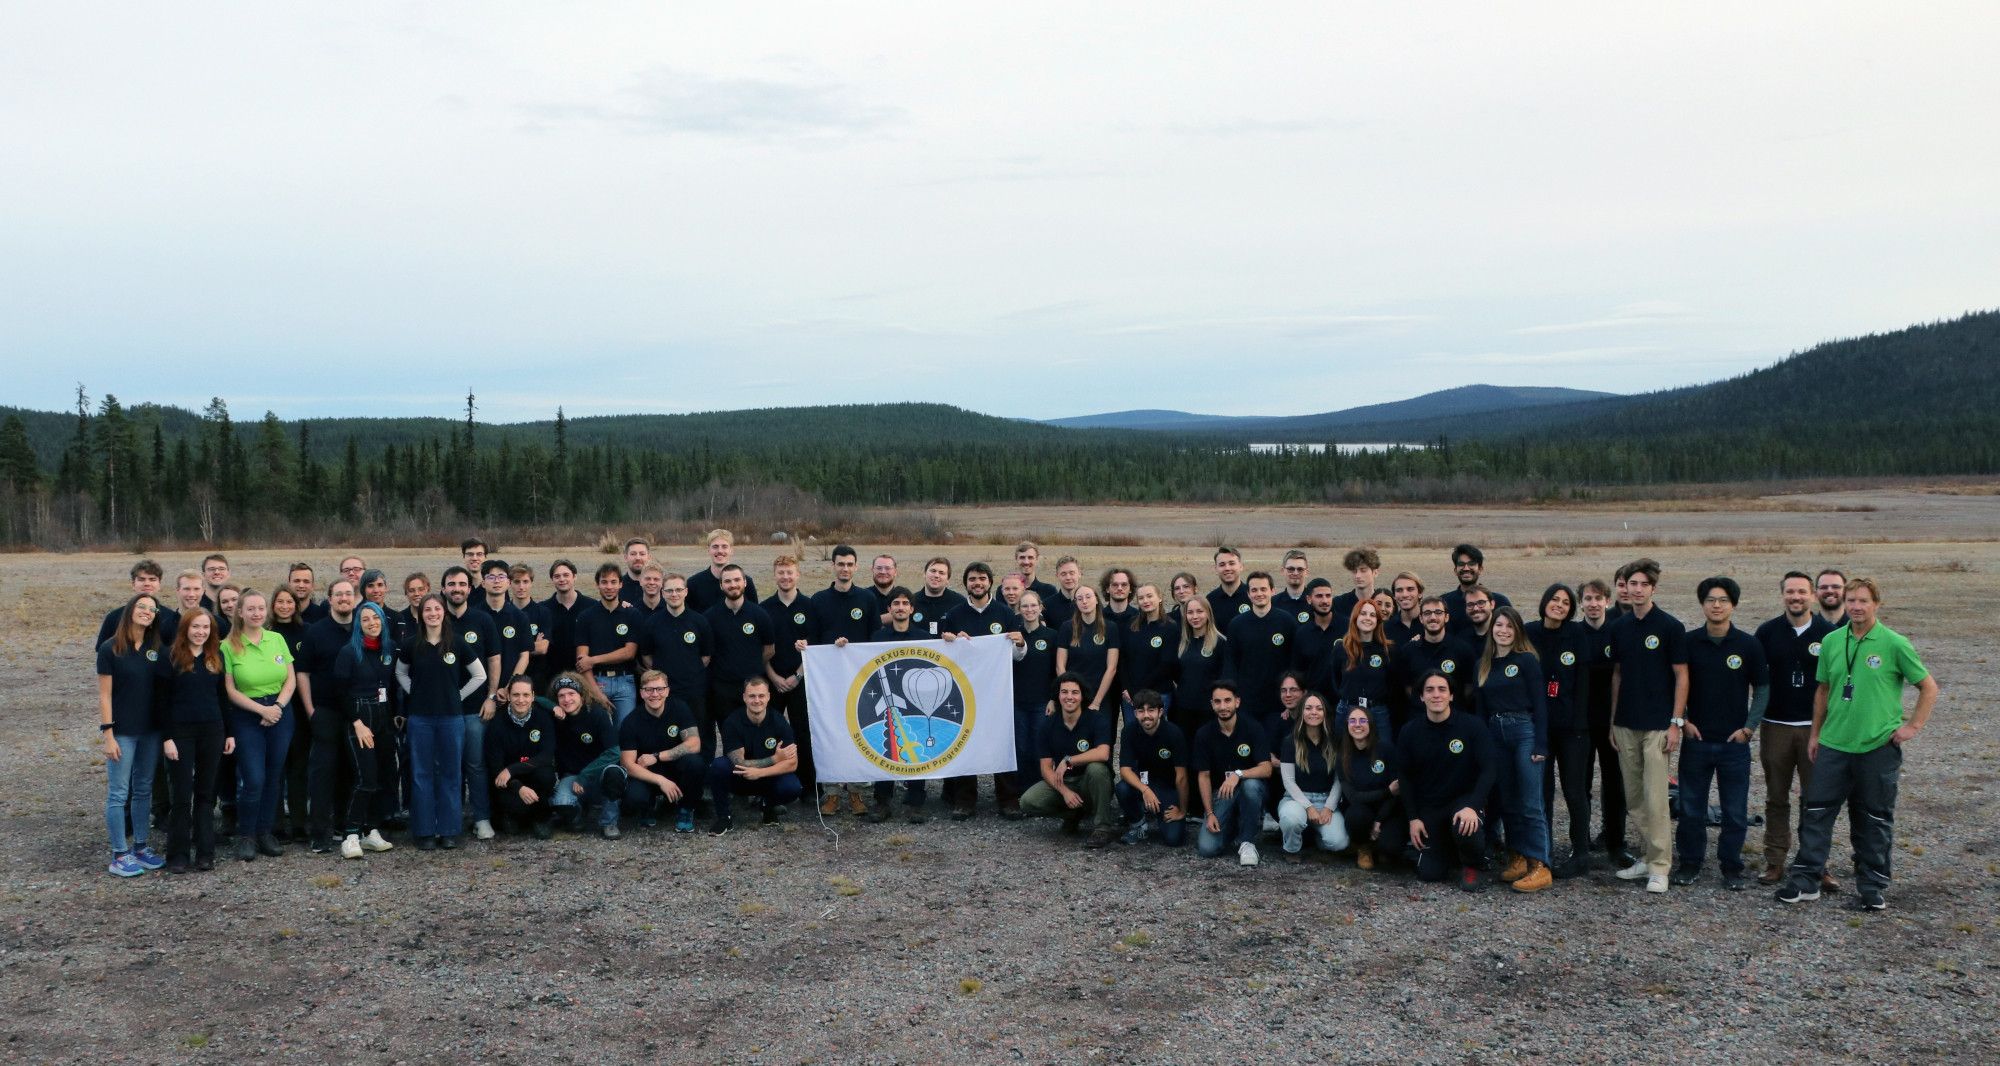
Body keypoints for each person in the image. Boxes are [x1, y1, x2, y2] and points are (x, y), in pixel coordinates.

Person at [1778, 578, 1938, 911]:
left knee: (1874, 819)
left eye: (1863, 601)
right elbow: (1822, 690)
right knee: (1817, 813)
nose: (1856, 606)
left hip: (1877, 747)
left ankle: (1872, 886)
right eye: (1851, 600)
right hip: (1835, 745)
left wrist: (1913, 726)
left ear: (1876, 604)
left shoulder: (1894, 643)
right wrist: (1815, 734)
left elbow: (1928, 687)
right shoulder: (1833, 641)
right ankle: (1806, 880)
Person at [1674, 577, 1769, 890]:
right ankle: (1689, 863)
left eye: (1723, 600)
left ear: (1734, 605)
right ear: (1702, 604)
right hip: (1696, 742)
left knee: (1735, 811)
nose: (1717, 605)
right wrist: (1683, 721)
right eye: (1711, 599)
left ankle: (1732, 867)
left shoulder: (1748, 644)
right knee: (1691, 809)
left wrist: (1749, 727)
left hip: (1734, 745)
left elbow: (1763, 688)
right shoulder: (1687, 642)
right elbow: (1673, 684)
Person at [1606, 558, 1688, 894]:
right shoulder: (1620, 627)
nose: (1636, 590)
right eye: (1630, 584)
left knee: (1656, 798)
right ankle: (1649, 855)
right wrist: (1612, 721)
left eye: (1642, 584)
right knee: (1634, 797)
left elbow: (1682, 675)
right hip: (1625, 723)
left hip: (1657, 725)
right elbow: (1617, 675)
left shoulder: (1670, 626)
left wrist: (1676, 723)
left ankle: (1659, 867)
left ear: (1653, 588)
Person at [1754, 572, 1839, 886]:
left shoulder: (1829, 634)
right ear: (1782, 596)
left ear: (1813, 596)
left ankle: (1816, 863)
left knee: (1815, 800)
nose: (1796, 597)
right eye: (1790, 592)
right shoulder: (1766, 633)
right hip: (1775, 726)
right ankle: (1775, 861)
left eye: (1802, 592)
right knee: (1777, 797)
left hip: (1816, 730)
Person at [1473, 607, 1553, 892]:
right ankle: (1517, 856)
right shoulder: (1484, 665)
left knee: (1530, 802)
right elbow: (1480, 713)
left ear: (1517, 630)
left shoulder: (1527, 661)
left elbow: (1541, 705)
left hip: (1524, 732)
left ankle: (1539, 865)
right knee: (1508, 800)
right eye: (1498, 625)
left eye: (1509, 626)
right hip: (1495, 734)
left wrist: (1541, 744)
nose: (1503, 630)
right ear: (1492, 629)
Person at [397, 593, 486, 850]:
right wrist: (414, 690)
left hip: (451, 718)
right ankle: (424, 831)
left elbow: (479, 675)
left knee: (450, 774)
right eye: (428, 610)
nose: (433, 613)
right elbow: (400, 672)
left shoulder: (456, 643)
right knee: (421, 773)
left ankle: (448, 830)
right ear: (421, 614)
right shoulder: (412, 644)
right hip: (420, 719)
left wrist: (458, 696)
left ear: (444, 613)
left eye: (437, 609)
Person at [938, 561, 1024, 819]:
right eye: (973, 579)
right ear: (965, 583)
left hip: (997, 692)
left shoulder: (1005, 613)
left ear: (990, 582)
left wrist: (1019, 643)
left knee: (1002, 742)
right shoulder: (954, 614)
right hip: (963, 693)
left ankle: (1008, 800)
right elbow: (941, 656)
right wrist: (949, 642)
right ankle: (965, 801)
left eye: (982, 579)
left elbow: (1017, 656)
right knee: (965, 742)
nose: (977, 583)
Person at [1400, 671, 1498, 890]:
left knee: (1466, 826)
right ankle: (1448, 854)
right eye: (1430, 690)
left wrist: (1473, 805)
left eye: (1442, 689)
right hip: (1431, 807)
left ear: (1452, 695)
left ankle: (1473, 864)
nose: (1436, 695)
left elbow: (1489, 769)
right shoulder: (1410, 731)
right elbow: (1405, 777)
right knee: (1430, 874)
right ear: (1422, 697)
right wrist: (1413, 818)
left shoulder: (1472, 726)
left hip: (1462, 803)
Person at [221, 589, 298, 862]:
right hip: (247, 715)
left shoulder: (277, 639)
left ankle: (265, 833)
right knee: (253, 779)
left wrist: (277, 707)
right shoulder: (227, 645)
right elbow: (230, 690)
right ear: (240, 612)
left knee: (274, 776)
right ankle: (246, 836)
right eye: (250, 609)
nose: (256, 613)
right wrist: (260, 709)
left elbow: (291, 680)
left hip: (280, 713)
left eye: (260, 608)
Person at [1525, 583, 1594, 878]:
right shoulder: (1529, 632)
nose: (1560, 605)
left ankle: (1581, 853)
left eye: (1566, 603)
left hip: (1572, 728)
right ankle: (1545, 852)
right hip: (1539, 728)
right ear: (1544, 601)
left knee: (1575, 790)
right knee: (1543, 792)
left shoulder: (1577, 634)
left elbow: (1584, 681)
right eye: (1554, 599)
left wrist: (1580, 724)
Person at [97, 594, 167, 877]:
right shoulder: (110, 648)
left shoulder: (155, 648)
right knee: (118, 792)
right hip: (122, 733)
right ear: (130, 610)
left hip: (150, 731)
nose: (146, 612)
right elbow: (104, 695)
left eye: (152, 609)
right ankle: (119, 853)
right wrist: (108, 734)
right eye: (142, 607)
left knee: (143, 789)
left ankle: (140, 846)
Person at [160, 608, 231, 873]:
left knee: (205, 794)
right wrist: (166, 738)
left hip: (212, 731)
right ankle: (177, 854)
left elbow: (222, 698)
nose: (200, 632)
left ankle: (205, 852)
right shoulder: (171, 657)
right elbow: (162, 702)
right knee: (181, 795)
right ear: (185, 629)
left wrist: (230, 733)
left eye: (205, 628)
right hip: (180, 733)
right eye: (195, 627)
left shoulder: (216, 657)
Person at [807, 545, 876, 816]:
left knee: (858, 733)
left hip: (861, 680)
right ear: (832, 566)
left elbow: (874, 641)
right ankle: (832, 793)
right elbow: (812, 640)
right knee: (831, 734)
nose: (845, 568)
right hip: (828, 681)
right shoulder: (819, 600)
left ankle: (857, 792)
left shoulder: (867, 599)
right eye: (840, 564)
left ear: (856, 567)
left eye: (849, 564)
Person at [293, 577, 359, 854]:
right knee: (322, 772)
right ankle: (320, 832)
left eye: (348, 594)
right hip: (326, 711)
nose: (344, 598)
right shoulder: (316, 632)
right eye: (338, 594)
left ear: (355, 598)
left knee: (351, 771)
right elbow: (303, 673)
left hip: (357, 713)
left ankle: (345, 826)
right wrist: (310, 710)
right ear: (329, 599)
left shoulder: (363, 627)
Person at [329, 601, 398, 859]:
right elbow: (339, 691)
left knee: (381, 777)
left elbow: (390, 686)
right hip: (360, 717)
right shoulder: (349, 652)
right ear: (359, 623)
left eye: (376, 618)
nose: (372, 623)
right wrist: (357, 723)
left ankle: (372, 830)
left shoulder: (388, 649)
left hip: (383, 716)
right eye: (366, 619)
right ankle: (350, 834)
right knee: (365, 778)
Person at [1019, 674, 1119, 848]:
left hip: (1092, 782)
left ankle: (1102, 827)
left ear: (1082, 696)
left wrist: (1069, 760)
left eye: (1074, 692)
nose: (1069, 697)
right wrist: (1065, 791)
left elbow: (1103, 753)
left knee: (1097, 768)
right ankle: (1073, 814)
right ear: (1058, 696)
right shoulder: (1048, 725)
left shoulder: (1096, 719)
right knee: (1027, 801)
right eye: (1064, 692)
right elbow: (1045, 768)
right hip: (1066, 781)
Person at [605, 669, 705, 835]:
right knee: (634, 798)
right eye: (649, 690)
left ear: (667, 691)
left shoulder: (679, 708)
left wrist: (657, 756)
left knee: (696, 764)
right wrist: (660, 780)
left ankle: (686, 810)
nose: (654, 694)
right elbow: (627, 764)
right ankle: (648, 806)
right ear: (641, 693)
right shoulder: (631, 721)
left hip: (674, 768)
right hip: (647, 774)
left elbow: (694, 744)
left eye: (659, 689)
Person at [1578, 578, 1633, 868]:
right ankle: (1581, 843)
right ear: (1581, 603)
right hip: (1582, 723)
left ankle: (1616, 844)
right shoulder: (1574, 634)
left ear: (1608, 602)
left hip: (1613, 722)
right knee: (1580, 785)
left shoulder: (1618, 632)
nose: (1593, 604)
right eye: (1588, 598)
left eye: (1599, 598)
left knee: (1615, 785)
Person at [706, 677, 802, 835]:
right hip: (741, 778)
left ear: (769, 697)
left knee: (792, 787)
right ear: (744, 697)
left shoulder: (779, 722)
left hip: (767, 778)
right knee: (719, 766)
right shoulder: (733, 722)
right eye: (752, 696)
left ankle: (768, 805)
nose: (757, 700)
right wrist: (774, 759)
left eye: (761, 696)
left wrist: (760, 772)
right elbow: (739, 762)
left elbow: (792, 763)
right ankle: (724, 817)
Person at [1193, 681, 1271, 866]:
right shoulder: (1204, 734)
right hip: (1222, 794)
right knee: (1207, 848)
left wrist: (1238, 774)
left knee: (1251, 786)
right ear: (1212, 704)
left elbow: (1266, 768)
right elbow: (1203, 775)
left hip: (1249, 788)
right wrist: (1210, 813)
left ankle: (1248, 843)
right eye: (1217, 702)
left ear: (1237, 702)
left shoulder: (1253, 728)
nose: (1223, 706)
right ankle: (1233, 828)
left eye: (1227, 701)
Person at [703, 563, 776, 760]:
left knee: (755, 732)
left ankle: (756, 775)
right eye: (727, 581)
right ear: (721, 586)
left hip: (752, 687)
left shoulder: (759, 614)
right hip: (722, 688)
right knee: (729, 734)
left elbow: (769, 650)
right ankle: (732, 777)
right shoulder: (710, 617)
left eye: (737, 580)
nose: (733, 584)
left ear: (744, 582)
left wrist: (749, 664)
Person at [762, 556, 819, 796]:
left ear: (798, 575)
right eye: (781, 573)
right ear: (774, 575)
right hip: (772, 680)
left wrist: (797, 676)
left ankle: (809, 786)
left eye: (790, 573)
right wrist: (773, 677)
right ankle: (769, 785)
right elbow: (761, 649)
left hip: (801, 680)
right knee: (770, 733)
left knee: (803, 732)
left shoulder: (810, 606)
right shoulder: (764, 608)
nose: (785, 577)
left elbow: (815, 645)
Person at [1276, 692, 1348, 862]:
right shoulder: (1290, 741)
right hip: (1296, 800)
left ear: (1325, 713)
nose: (1313, 712)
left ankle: (1314, 835)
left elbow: (1339, 780)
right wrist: (1308, 807)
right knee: (1292, 820)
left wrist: (1329, 807)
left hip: (1325, 801)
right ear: (1302, 713)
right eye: (1308, 708)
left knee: (1338, 843)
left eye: (1318, 708)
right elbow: (1288, 781)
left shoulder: (1335, 741)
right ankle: (1292, 849)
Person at [1390, 596, 1477, 734]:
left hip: (1454, 722)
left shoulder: (1462, 650)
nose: (1433, 617)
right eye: (1427, 613)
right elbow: (1407, 687)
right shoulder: (1408, 651)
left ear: (1446, 617)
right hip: (1418, 721)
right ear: (1421, 618)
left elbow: (1468, 687)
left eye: (1438, 612)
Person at [486, 675, 559, 838]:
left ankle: (540, 819)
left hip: (532, 774)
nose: (521, 700)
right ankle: (512, 816)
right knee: (511, 821)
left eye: (526, 695)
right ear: (509, 696)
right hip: (508, 783)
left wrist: (512, 769)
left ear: (533, 696)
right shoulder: (497, 723)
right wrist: (518, 786)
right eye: (516, 695)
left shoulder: (543, 718)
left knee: (546, 776)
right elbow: (495, 767)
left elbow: (546, 756)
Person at [1115, 690, 1188, 846]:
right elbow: (1125, 770)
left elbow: (1181, 777)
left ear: (1160, 712)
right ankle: (1138, 823)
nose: (1146, 715)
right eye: (1141, 711)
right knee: (1122, 788)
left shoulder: (1174, 733)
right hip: (1143, 783)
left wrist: (1182, 810)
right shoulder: (1129, 731)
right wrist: (1145, 790)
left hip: (1166, 787)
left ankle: (1161, 814)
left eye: (1151, 710)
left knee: (1174, 840)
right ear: (1135, 713)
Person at [1009, 591, 1059, 819]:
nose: (1029, 610)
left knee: (1041, 748)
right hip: (1018, 702)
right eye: (1024, 606)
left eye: (1033, 606)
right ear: (1018, 609)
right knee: (1021, 748)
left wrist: (1053, 698)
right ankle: (1023, 794)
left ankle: (1044, 793)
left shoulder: (1051, 635)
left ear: (1041, 608)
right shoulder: (1011, 636)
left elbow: (1056, 671)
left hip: (1042, 702)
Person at [575, 562, 643, 729]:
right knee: (600, 732)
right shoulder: (586, 617)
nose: (609, 587)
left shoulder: (631, 614)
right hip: (597, 682)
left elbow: (629, 652)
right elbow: (582, 660)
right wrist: (596, 692)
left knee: (625, 732)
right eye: (604, 582)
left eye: (613, 582)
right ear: (597, 584)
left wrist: (594, 660)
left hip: (625, 683)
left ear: (621, 584)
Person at [1223, 572, 1290, 736]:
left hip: (1277, 703)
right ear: (1248, 594)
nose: (1259, 594)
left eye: (1263, 589)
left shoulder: (1286, 622)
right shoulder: (1237, 624)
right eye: (1254, 590)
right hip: (1247, 703)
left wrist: (1291, 701)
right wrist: (1232, 696)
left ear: (1272, 591)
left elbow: (1293, 663)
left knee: (1275, 751)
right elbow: (1231, 663)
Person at [1338, 701, 1400, 870]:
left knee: (1391, 850)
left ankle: (1380, 847)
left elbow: (1397, 791)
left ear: (1371, 724)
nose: (1357, 725)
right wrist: (1387, 791)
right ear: (1347, 725)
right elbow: (1353, 797)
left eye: (1362, 720)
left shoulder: (1386, 749)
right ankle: (1363, 847)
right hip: (1360, 810)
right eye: (1352, 721)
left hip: (1388, 810)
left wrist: (1380, 819)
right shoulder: (1343, 755)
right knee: (1355, 815)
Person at [1169, 597, 1225, 752]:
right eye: (1190, 612)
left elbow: (1224, 677)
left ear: (1208, 614)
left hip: (1209, 711)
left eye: (1200, 611)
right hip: (1183, 709)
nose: (1195, 616)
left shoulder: (1220, 643)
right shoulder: (1181, 643)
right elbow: (1176, 674)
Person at [1056, 585, 1121, 719]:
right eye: (1079, 599)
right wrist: (1071, 694)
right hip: (1075, 697)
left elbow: (1112, 668)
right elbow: (1060, 666)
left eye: (1088, 597)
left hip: (1100, 695)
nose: (1084, 601)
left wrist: (1096, 702)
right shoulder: (1067, 627)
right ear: (1076, 603)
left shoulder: (1110, 627)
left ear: (1096, 600)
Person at [1329, 598, 1395, 718]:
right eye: (1363, 613)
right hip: (1347, 710)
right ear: (1355, 617)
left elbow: (1391, 683)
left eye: (1372, 615)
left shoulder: (1387, 650)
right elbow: (1336, 679)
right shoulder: (1341, 648)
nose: (1367, 618)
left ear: (1377, 621)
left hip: (1377, 712)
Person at [97, 559, 179, 645]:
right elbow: (103, 652)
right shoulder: (114, 617)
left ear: (159, 584)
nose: (147, 583)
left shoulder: (171, 618)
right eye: (141, 579)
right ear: (133, 584)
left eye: (152, 579)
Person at [1440, 544, 1511, 633]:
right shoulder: (1443, 603)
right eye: (1461, 564)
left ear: (1480, 569)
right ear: (1455, 570)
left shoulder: (1500, 602)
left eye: (1471, 563)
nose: (1466, 568)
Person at [1290, 578, 1341, 697]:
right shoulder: (1302, 633)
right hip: (1313, 704)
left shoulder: (1347, 628)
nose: (1325, 600)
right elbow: (1297, 671)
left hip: (1342, 704)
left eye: (1328, 596)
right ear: (1309, 599)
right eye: (1319, 596)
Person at [688, 529, 759, 612]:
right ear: (708, 550)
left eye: (724, 546)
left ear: (731, 550)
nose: (720, 551)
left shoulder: (745, 583)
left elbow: (755, 614)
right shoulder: (693, 584)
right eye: (715, 546)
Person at [540, 559, 587, 680]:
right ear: (552, 579)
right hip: (551, 677)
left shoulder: (591, 606)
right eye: (557, 576)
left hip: (584, 675)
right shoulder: (543, 609)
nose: (562, 579)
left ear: (574, 576)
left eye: (566, 575)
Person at [910, 557, 967, 635]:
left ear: (948, 580)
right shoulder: (910, 602)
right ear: (924, 574)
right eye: (933, 571)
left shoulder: (960, 602)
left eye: (941, 573)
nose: (936, 575)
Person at [1330, 548, 1380, 628]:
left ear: (1375, 572)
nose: (1357, 576)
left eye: (1363, 570)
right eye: (1354, 571)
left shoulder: (1384, 603)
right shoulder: (1338, 604)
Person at [1206, 547, 1249, 621]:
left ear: (1241, 566)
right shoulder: (1210, 600)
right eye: (1222, 565)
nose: (1227, 568)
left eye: (1232, 563)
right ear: (1216, 569)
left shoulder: (1253, 595)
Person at [1386, 572, 1425, 645]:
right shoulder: (1386, 628)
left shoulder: (1430, 624)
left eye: (1410, 589)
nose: (1404, 595)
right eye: (1399, 590)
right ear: (1394, 596)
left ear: (1420, 593)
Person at [617, 538, 652, 606]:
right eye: (633, 554)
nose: (638, 558)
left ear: (649, 557)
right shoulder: (616, 588)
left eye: (642, 554)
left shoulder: (659, 587)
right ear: (625, 557)